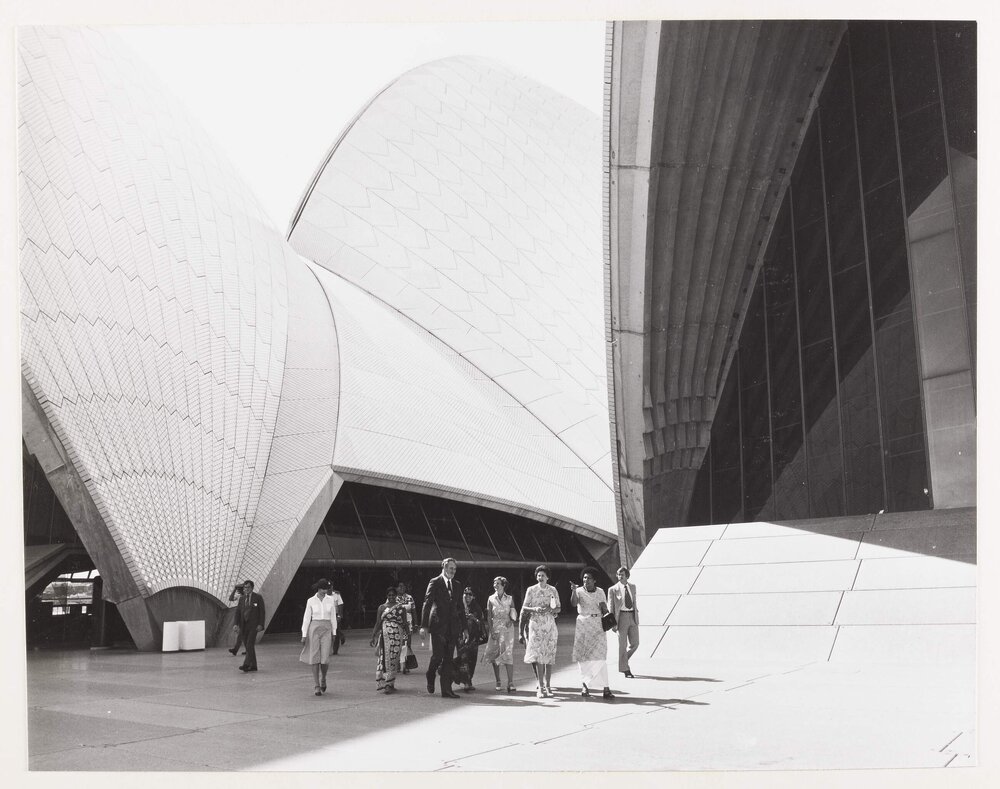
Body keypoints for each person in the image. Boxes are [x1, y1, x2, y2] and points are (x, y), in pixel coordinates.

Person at [419, 557, 463, 699]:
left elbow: (460, 608)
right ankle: (430, 674)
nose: (453, 571)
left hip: (452, 627)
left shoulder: (457, 585)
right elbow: (427, 603)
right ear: (444, 567)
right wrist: (424, 626)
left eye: (455, 569)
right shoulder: (435, 582)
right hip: (438, 626)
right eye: (451, 568)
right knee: (438, 656)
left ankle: (446, 690)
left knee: (449, 659)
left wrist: (464, 628)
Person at [570, 568, 615, 700]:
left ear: (594, 580)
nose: (586, 580)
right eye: (584, 578)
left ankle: (606, 689)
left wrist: (609, 617)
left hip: (597, 625)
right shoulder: (578, 591)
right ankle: (585, 685)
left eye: (589, 578)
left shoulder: (600, 591)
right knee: (583, 657)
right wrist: (573, 590)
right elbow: (573, 604)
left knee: (600, 657)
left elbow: (604, 608)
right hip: (583, 625)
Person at [520, 565, 560, 698]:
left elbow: (558, 608)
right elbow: (525, 607)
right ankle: (540, 687)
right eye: (538, 575)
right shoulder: (531, 590)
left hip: (549, 626)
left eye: (543, 575)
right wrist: (535, 609)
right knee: (538, 657)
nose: (540, 578)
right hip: (536, 626)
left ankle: (548, 686)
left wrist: (550, 609)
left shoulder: (553, 590)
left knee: (548, 657)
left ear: (547, 577)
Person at [300, 578, 338, 695]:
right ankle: (316, 685)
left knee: (325, 659)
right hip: (314, 628)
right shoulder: (311, 600)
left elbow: (333, 616)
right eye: (323, 589)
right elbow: (306, 618)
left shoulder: (331, 600)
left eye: (326, 589)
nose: (325, 591)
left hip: (327, 628)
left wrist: (334, 632)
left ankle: (323, 678)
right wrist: (304, 634)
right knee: (314, 657)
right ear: (319, 588)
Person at [483, 576, 518, 693]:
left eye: (498, 584)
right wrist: (491, 630)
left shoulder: (509, 598)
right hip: (496, 628)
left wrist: (511, 620)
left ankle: (510, 682)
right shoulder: (491, 599)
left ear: (503, 585)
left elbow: (514, 613)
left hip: (508, 629)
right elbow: (488, 616)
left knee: (508, 654)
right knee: (495, 654)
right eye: (494, 583)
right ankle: (498, 680)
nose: (495, 585)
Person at [370, 586, 408, 693]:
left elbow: (404, 623)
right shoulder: (382, 607)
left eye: (393, 595)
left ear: (396, 596)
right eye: (389, 595)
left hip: (397, 638)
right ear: (387, 596)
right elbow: (378, 623)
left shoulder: (401, 608)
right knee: (384, 658)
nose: (391, 597)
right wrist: (373, 636)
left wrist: (407, 636)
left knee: (394, 659)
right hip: (385, 638)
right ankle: (385, 683)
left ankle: (390, 683)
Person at [608, 566, 640, 678]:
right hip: (621, 618)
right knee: (622, 645)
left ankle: (622, 662)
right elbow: (611, 607)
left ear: (627, 576)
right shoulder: (613, 589)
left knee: (635, 643)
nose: (619, 576)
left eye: (622, 574)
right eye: (618, 574)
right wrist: (613, 623)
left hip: (633, 616)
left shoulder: (633, 587)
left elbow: (634, 602)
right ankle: (625, 669)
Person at [454, 587, 484, 691]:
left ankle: (469, 680)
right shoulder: (459, 606)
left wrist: (473, 618)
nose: (467, 596)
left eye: (470, 594)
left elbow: (481, 622)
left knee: (472, 660)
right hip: (461, 638)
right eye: (465, 593)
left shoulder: (477, 607)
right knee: (463, 659)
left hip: (473, 639)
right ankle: (465, 681)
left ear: (473, 596)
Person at [233, 580, 265, 672]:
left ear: (252, 588)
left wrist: (261, 624)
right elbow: (238, 612)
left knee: (249, 644)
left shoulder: (258, 598)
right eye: (245, 587)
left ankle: (246, 664)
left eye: (248, 587)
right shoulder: (242, 598)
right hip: (244, 625)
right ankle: (254, 665)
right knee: (248, 646)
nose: (246, 589)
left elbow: (262, 612)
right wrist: (235, 624)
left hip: (254, 626)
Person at [396, 581, 416, 673]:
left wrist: (415, 624)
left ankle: (406, 665)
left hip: (408, 624)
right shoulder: (392, 598)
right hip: (397, 624)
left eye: (403, 586)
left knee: (407, 644)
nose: (402, 588)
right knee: (398, 644)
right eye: (399, 586)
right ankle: (398, 665)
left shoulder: (409, 597)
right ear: (396, 588)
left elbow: (413, 611)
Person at [227, 584, 245, 656]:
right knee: (242, 634)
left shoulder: (247, 596)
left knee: (241, 634)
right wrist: (234, 590)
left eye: (238, 589)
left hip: (246, 616)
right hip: (240, 615)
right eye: (237, 590)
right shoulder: (238, 596)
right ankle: (238, 650)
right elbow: (230, 598)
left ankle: (235, 650)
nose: (237, 591)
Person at [329, 583, 345, 654]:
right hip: (326, 616)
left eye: (331, 587)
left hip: (335, 615)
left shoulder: (336, 594)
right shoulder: (323, 595)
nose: (330, 588)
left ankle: (335, 650)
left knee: (336, 632)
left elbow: (340, 604)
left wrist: (340, 616)